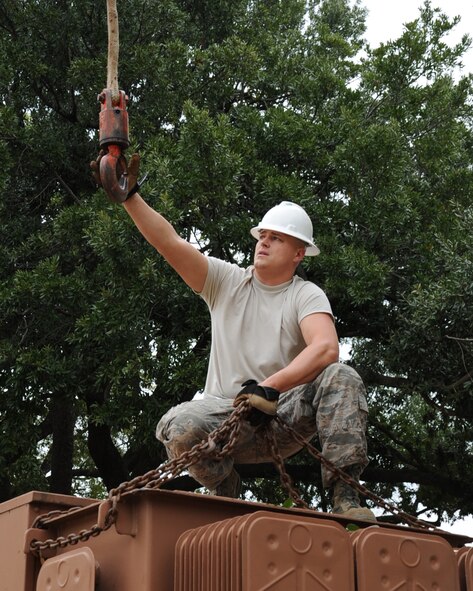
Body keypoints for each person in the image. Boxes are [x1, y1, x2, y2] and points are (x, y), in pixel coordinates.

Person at [122, 194, 376, 521]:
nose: (264, 243)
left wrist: (269, 387)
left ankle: (345, 498)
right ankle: (223, 482)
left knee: (342, 376)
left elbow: (326, 348)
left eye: (277, 238)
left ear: (299, 253)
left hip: (283, 414)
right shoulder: (225, 282)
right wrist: (128, 198)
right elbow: (169, 243)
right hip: (226, 416)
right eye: (263, 236)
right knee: (179, 426)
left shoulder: (305, 294)